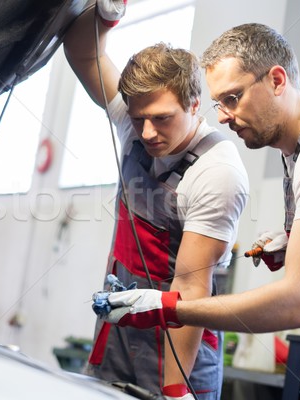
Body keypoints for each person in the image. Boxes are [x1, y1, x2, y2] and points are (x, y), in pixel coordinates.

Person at [97, 22, 300, 400]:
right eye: (220, 102)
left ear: (277, 80)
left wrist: (169, 307)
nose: (223, 116)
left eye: (233, 98)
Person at [62, 3, 249, 400]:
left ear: (194, 105)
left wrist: (175, 389)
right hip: (119, 326)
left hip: (179, 342)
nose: (146, 133)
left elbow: (192, 289)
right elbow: (83, 51)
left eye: (162, 119)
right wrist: (106, 14)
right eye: (137, 117)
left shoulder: (217, 172)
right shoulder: (140, 119)